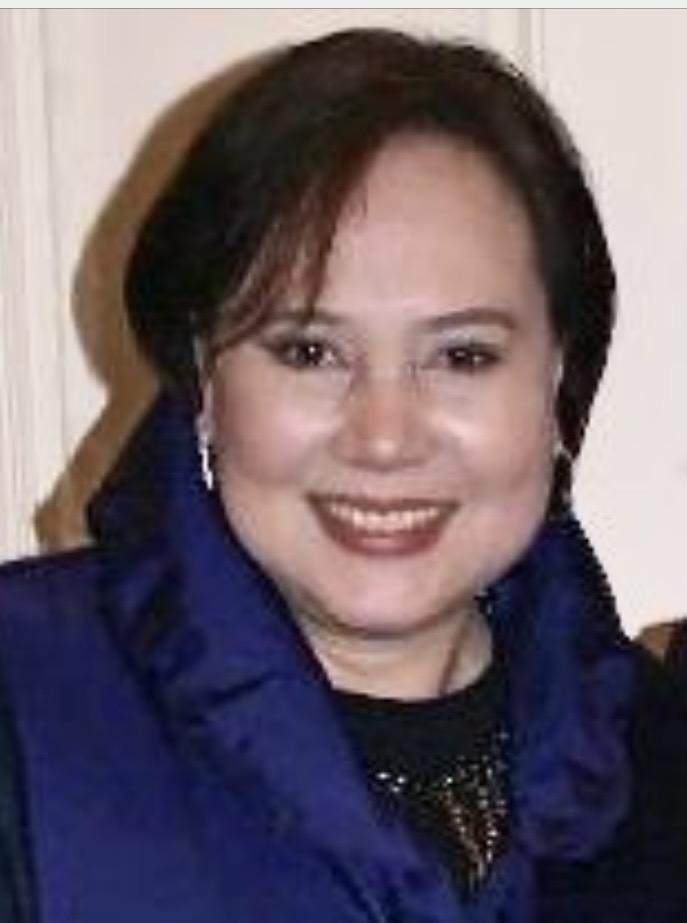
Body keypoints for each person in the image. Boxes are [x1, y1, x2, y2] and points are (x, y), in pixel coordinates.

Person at [0, 26, 685, 923]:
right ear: (205, 377)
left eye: (463, 355)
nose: (384, 437)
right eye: (310, 351)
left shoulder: (656, 759)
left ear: (558, 379)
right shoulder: (27, 704)